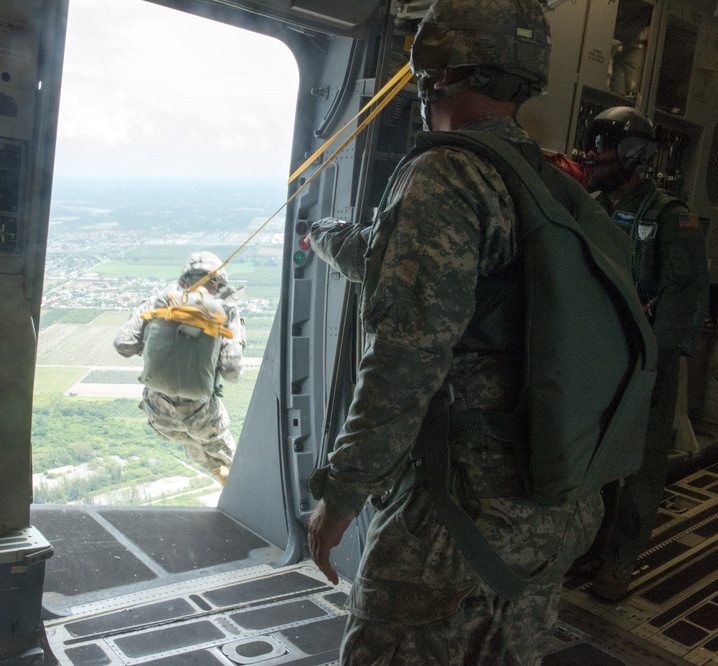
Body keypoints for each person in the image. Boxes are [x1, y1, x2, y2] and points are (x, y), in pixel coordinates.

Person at [305, 1, 606, 663]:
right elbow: (433, 274)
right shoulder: (551, 185)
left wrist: (344, 491)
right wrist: (332, 244)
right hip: (554, 506)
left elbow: (406, 355)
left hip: (458, 520)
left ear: (433, 68)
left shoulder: (447, 172)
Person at [580, 106, 709, 601]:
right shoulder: (591, 207)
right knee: (598, 458)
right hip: (601, 357)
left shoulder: (672, 218)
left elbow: (684, 295)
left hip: (648, 360)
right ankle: (591, 545)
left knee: (641, 466)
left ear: (633, 156)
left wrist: (655, 360)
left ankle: (621, 561)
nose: (593, 159)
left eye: (603, 150)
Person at [113, 251, 246, 485]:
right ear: (217, 284)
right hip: (202, 415)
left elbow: (123, 344)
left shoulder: (159, 302)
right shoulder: (225, 310)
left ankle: (216, 471)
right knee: (233, 460)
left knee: (189, 442)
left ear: (184, 280)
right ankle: (242, 493)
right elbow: (231, 370)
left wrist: (158, 343)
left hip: (159, 414)